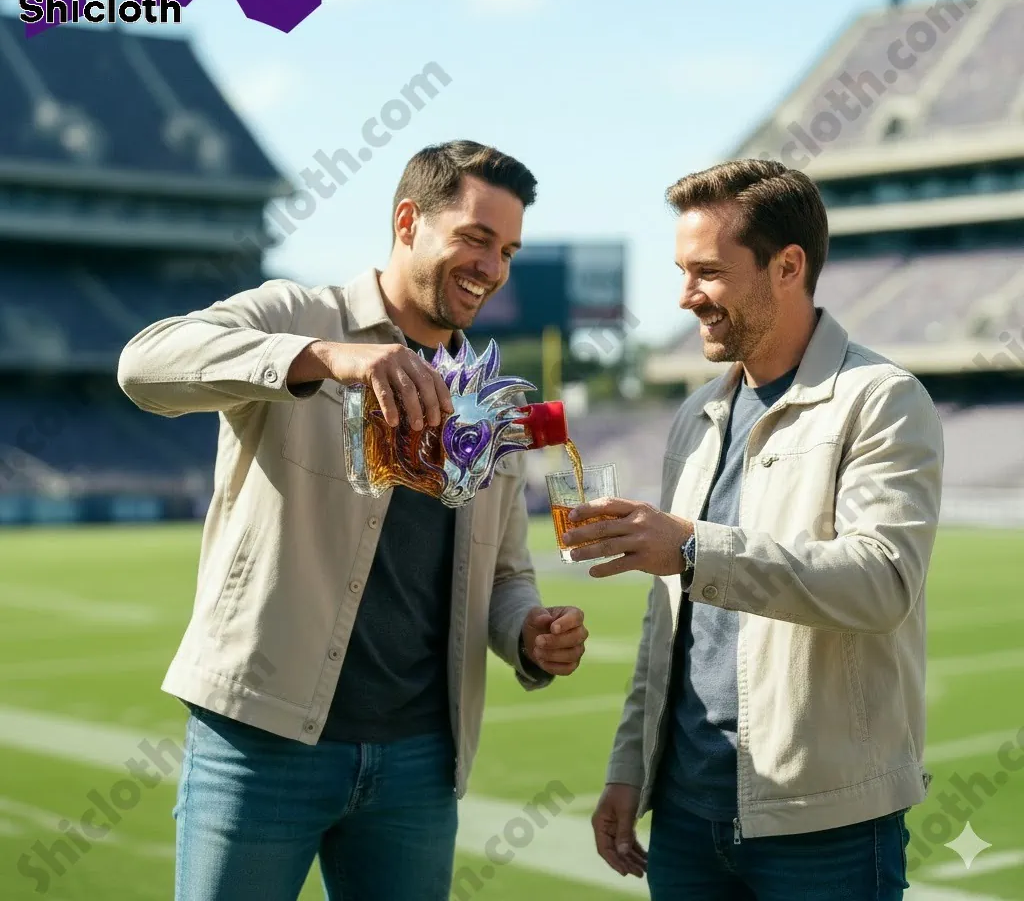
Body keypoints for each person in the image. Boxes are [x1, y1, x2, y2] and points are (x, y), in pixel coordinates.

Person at [117, 140, 590, 901]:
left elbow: (505, 572)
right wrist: (325, 358)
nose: (491, 267)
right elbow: (143, 365)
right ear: (408, 221)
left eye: (506, 249)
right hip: (262, 740)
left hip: (419, 763)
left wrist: (528, 632)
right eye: (474, 238)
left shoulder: (497, 398)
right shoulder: (301, 314)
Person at [567, 159, 943, 899]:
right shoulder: (695, 415)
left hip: (826, 828)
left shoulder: (883, 400)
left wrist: (694, 548)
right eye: (681, 271)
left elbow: (883, 582)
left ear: (788, 267)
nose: (685, 297)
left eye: (706, 272)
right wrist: (627, 769)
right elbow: (667, 623)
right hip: (684, 813)